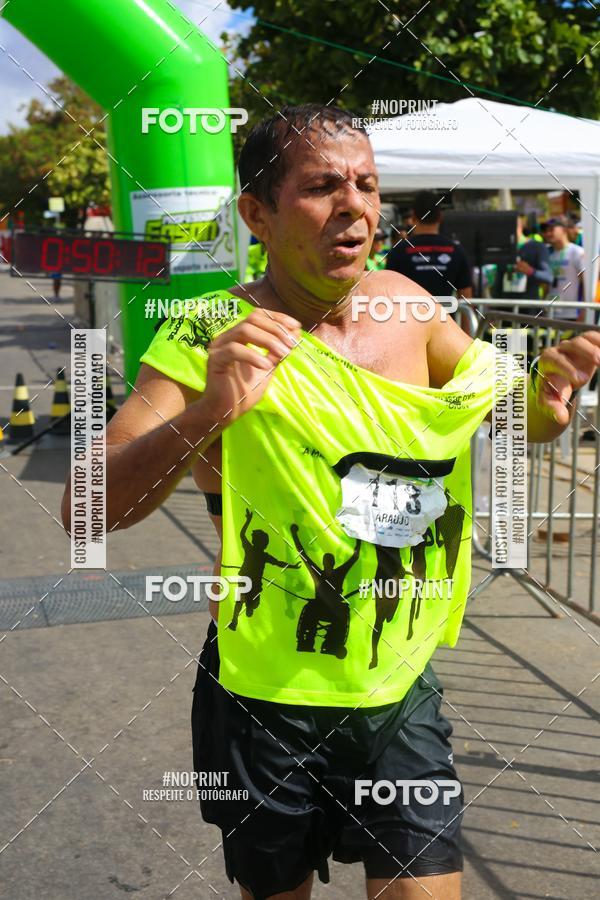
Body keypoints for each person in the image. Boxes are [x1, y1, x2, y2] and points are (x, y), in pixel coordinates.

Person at [62, 104, 600, 900]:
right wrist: (209, 414)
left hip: (397, 693)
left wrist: (548, 402)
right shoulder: (211, 332)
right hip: (264, 699)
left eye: (367, 185)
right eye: (322, 187)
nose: (354, 206)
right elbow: (85, 510)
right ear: (258, 214)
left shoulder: (409, 308)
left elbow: (511, 412)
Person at [385, 191, 472, 301]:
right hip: (445, 312)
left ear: (413, 216)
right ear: (440, 217)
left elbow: (388, 293)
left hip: (408, 312)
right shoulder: (456, 251)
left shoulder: (398, 252)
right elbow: (466, 299)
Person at [495, 214, 553, 312]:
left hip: (529, 309)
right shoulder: (503, 249)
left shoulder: (537, 247)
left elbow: (548, 277)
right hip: (505, 309)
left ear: (520, 227)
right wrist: (495, 307)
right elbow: (498, 281)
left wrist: (530, 271)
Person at [546, 215, 585, 321]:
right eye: (546, 230)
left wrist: (584, 312)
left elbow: (586, 284)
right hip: (551, 312)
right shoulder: (548, 253)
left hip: (572, 314)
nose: (548, 233)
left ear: (564, 229)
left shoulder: (577, 252)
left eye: (552, 229)